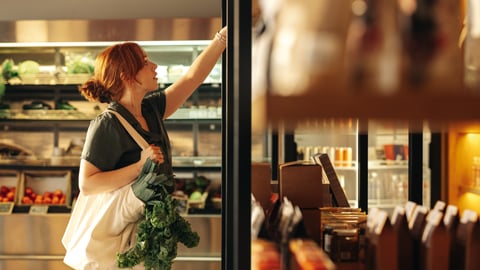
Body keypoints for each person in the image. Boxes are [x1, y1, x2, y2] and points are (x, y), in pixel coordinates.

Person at [62, 26, 227, 269]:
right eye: (146, 62)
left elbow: (192, 78)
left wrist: (222, 38)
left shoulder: (151, 109)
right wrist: (139, 166)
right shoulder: (107, 125)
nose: (155, 66)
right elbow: (88, 183)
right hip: (119, 238)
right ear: (127, 76)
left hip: (141, 232)